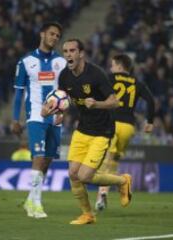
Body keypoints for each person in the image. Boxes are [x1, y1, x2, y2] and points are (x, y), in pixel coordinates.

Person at [46, 39, 132, 225]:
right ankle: (88, 215)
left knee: (84, 176)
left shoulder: (96, 74)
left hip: (102, 131)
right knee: (73, 174)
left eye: (72, 50)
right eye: (65, 51)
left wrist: (98, 104)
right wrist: (59, 113)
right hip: (82, 129)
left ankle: (122, 181)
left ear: (81, 53)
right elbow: (63, 100)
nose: (68, 54)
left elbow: (115, 102)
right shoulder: (64, 77)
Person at [11, 22, 67, 219]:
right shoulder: (26, 62)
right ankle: (37, 204)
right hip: (35, 116)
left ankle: (30, 199)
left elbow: (64, 93)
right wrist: (14, 119)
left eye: (57, 36)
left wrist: (63, 112)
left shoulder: (61, 62)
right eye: (51, 34)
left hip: (55, 119)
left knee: (48, 160)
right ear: (42, 34)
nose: (54, 38)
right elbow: (18, 94)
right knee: (39, 156)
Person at [94, 54, 155, 211]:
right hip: (128, 127)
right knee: (113, 161)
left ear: (120, 67)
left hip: (111, 123)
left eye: (113, 65)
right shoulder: (137, 82)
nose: (111, 68)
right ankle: (108, 192)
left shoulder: (110, 78)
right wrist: (150, 122)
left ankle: (103, 194)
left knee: (103, 160)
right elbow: (151, 100)